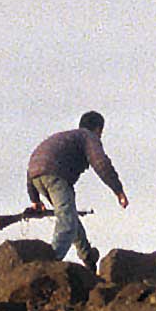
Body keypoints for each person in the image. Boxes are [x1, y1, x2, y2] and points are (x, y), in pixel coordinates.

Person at [26, 110, 128, 270]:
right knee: (67, 223)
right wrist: (118, 191)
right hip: (55, 176)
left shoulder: (64, 137)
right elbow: (101, 163)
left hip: (36, 175)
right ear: (98, 129)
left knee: (70, 215)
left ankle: (87, 256)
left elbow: (36, 163)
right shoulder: (88, 137)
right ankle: (49, 265)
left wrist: (35, 200)